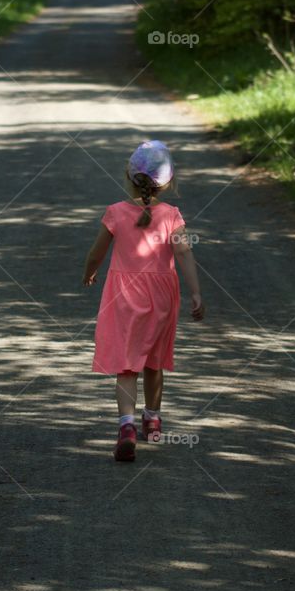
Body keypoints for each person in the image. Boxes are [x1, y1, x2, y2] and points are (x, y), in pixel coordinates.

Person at [82, 139, 205, 461]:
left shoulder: (116, 213)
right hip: (163, 294)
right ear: (168, 182)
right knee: (154, 360)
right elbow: (183, 252)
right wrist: (195, 291)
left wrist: (89, 271)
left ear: (128, 174)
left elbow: (97, 251)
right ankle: (152, 419)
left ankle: (126, 426)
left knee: (127, 362)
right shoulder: (171, 215)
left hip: (123, 294)